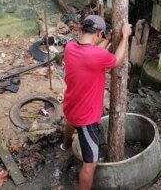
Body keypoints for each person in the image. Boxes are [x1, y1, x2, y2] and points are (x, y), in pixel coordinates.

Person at [61, 15, 132, 190]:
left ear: (82, 30)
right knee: (90, 164)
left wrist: (106, 41)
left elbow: (91, 50)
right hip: (87, 118)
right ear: (98, 34)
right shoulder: (98, 55)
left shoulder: (70, 48)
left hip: (70, 105)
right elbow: (117, 60)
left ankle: (66, 144)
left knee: (70, 122)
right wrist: (125, 37)